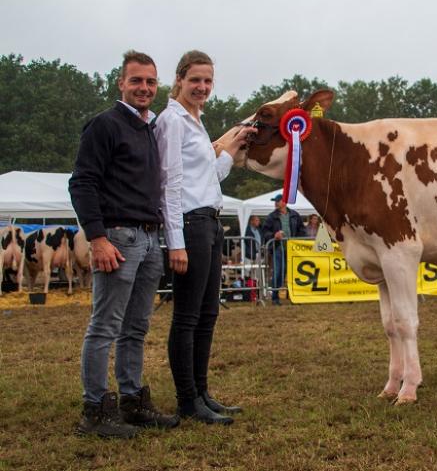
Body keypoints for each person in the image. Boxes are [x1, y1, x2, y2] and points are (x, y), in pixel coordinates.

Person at [69, 50, 179, 438]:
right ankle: (95, 410)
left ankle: (131, 401)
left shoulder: (148, 128)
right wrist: (97, 238)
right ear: (121, 83)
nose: (144, 88)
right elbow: (81, 182)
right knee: (104, 326)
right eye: (136, 80)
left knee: (136, 327)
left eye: (150, 81)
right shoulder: (105, 125)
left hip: (149, 238)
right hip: (118, 237)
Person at [155, 50, 251, 425]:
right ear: (179, 79)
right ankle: (186, 400)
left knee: (208, 313)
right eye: (195, 79)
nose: (202, 87)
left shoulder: (196, 121)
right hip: (190, 225)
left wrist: (232, 150)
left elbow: (207, 177)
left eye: (208, 81)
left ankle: (201, 391)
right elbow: (170, 183)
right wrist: (175, 241)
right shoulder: (173, 121)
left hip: (210, 222)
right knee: (187, 315)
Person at [262, 194, 307, 305]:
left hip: (293, 249)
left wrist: (299, 241)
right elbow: (265, 232)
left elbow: (302, 230)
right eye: (275, 201)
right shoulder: (271, 217)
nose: (276, 203)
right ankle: (275, 298)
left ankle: (294, 297)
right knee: (278, 273)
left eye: (277, 201)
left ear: (284, 202)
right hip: (278, 248)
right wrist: (274, 235)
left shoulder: (295, 215)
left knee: (294, 274)